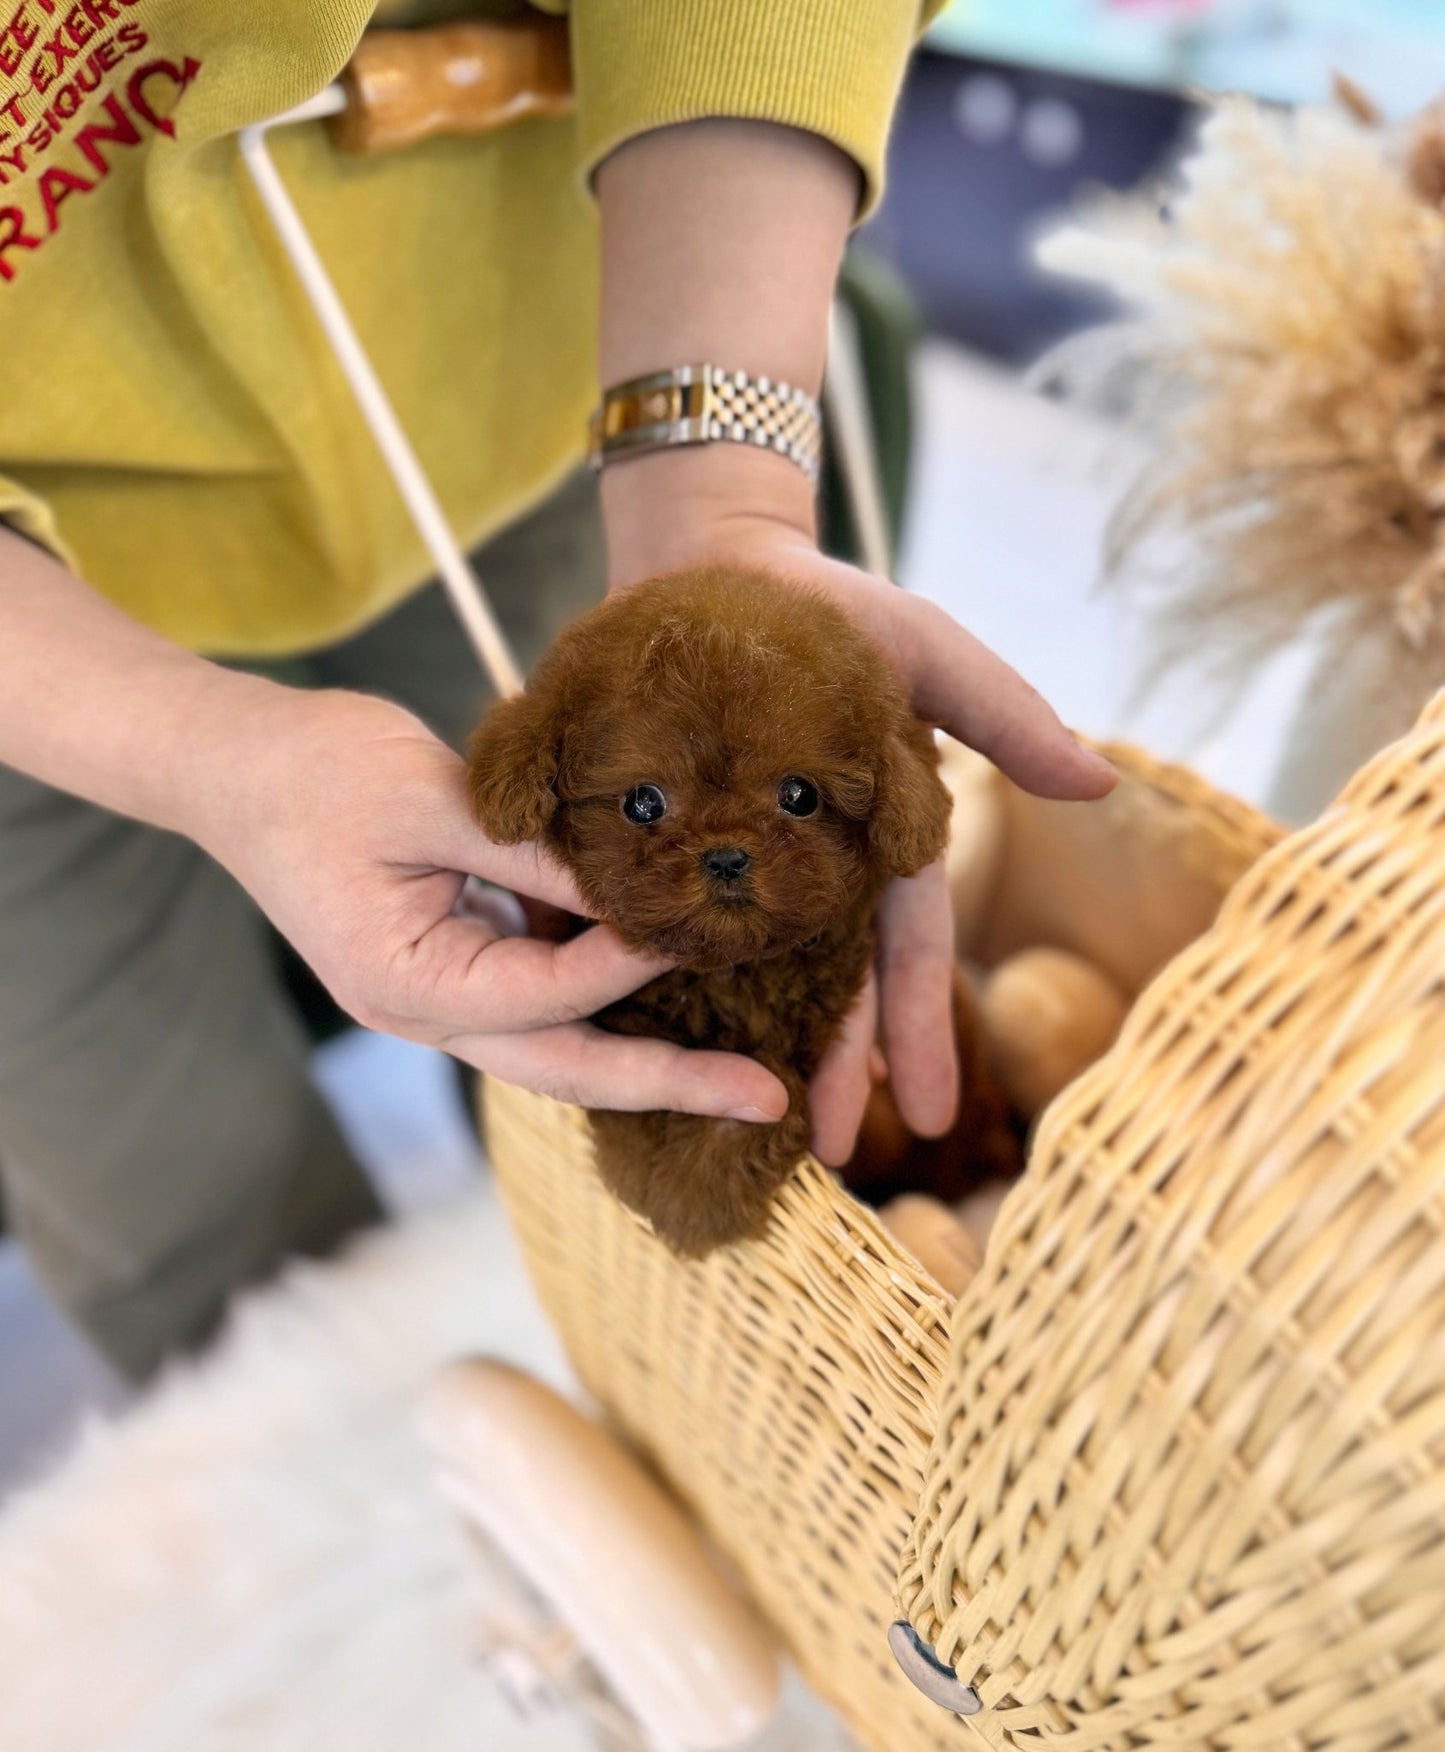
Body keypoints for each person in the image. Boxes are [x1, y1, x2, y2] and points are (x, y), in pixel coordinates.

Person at [0, 0, 1115, 1380]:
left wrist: (713, 481)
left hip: (527, 395)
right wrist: (202, 752)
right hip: (30, 652)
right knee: (170, 1175)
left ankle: (623, 1373)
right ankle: (351, 1515)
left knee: (577, 1023)